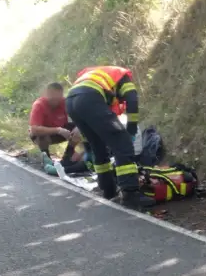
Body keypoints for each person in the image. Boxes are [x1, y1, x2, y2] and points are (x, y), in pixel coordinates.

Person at [65, 65, 155, 209]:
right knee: (123, 143)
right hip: (89, 97)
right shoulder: (122, 76)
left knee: (98, 146)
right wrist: (130, 131)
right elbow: (132, 100)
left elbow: (91, 137)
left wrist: (88, 148)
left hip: (70, 100)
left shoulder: (96, 75)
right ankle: (130, 194)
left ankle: (108, 190)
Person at [29, 82, 85, 174]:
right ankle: (46, 157)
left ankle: (68, 157)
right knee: (40, 135)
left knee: (80, 129)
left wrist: (78, 127)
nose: (55, 102)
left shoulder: (65, 102)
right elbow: (34, 129)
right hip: (46, 133)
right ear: (46, 94)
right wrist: (58, 130)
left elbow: (82, 118)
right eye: (52, 99)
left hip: (62, 130)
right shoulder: (39, 105)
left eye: (57, 99)